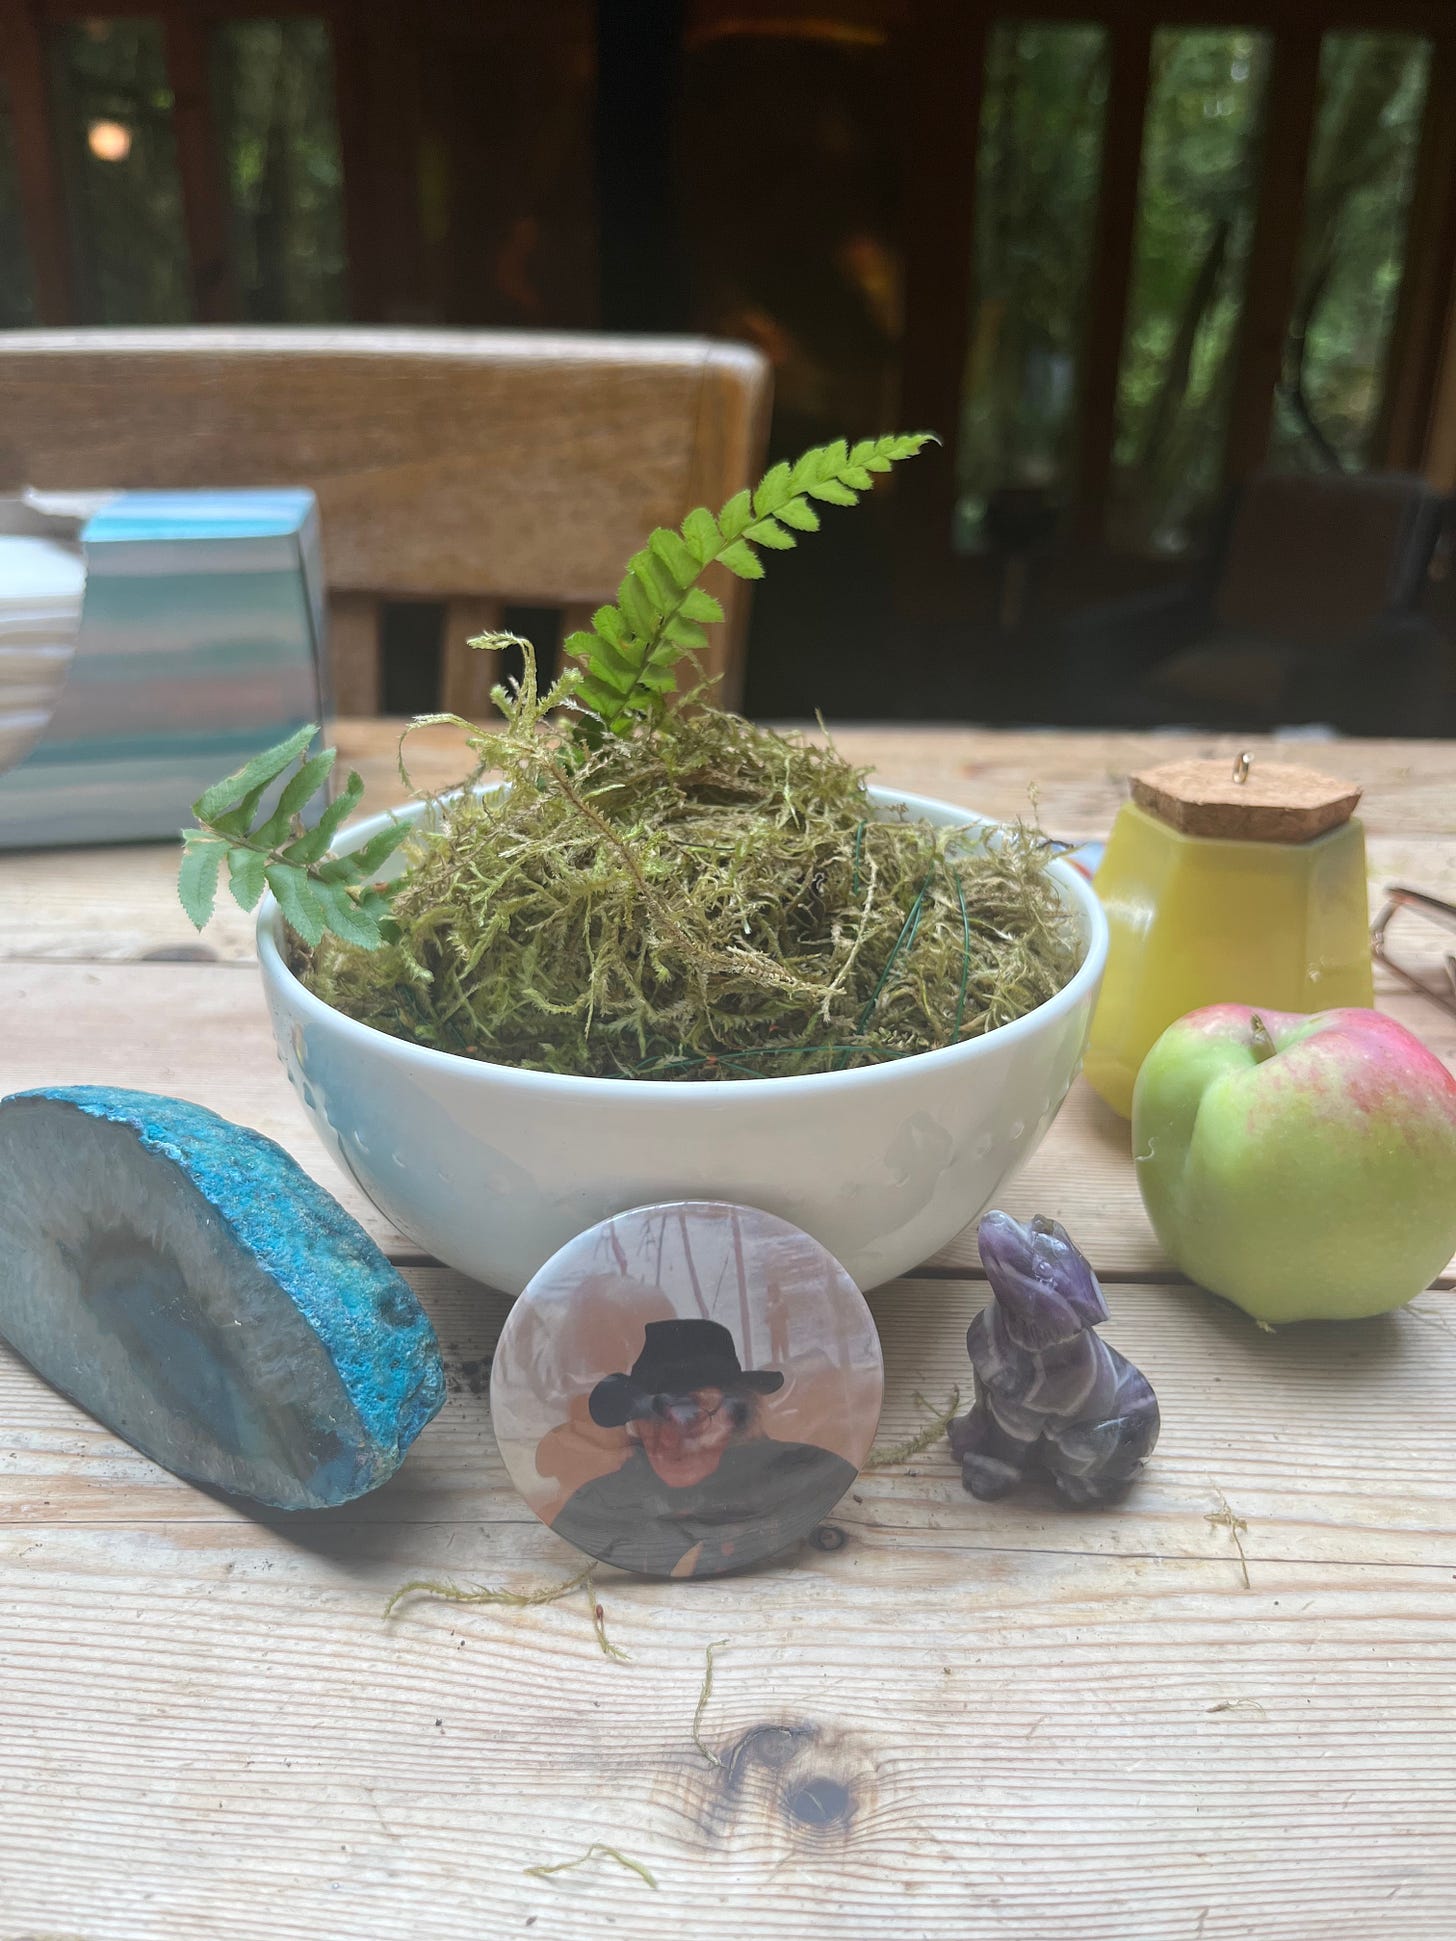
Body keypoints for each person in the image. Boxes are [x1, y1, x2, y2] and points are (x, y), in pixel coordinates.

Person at [548, 1317, 856, 1577]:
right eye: (648, 1415)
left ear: (738, 1415)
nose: (665, 1439)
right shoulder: (601, 1505)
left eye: (690, 1413)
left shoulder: (806, 1479)